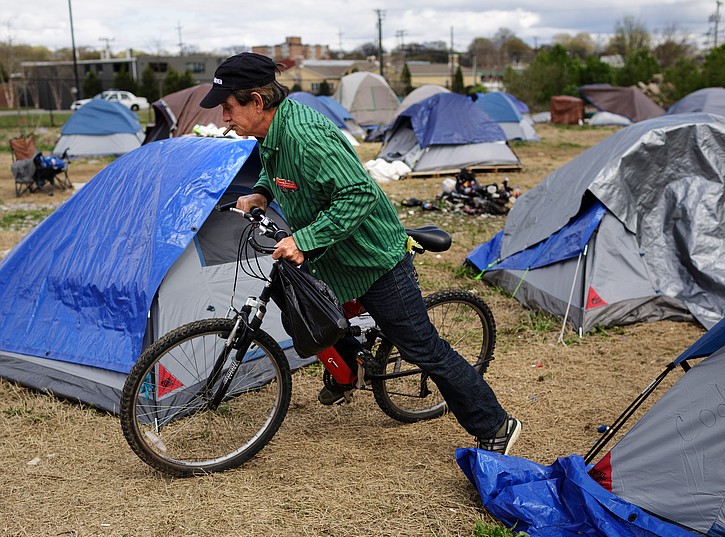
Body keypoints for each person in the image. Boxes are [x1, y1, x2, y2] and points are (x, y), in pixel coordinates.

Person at [200, 52, 522, 455]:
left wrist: (304, 240)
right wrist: (262, 191)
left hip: (373, 259)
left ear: (257, 102)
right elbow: (274, 167)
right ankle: (346, 366)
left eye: (229, 107)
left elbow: (359, 194)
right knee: (293, 294)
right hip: (335, 253)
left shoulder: (305, 134)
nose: (224, 117)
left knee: (423, 350)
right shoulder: (271, 133)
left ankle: (495, 424)